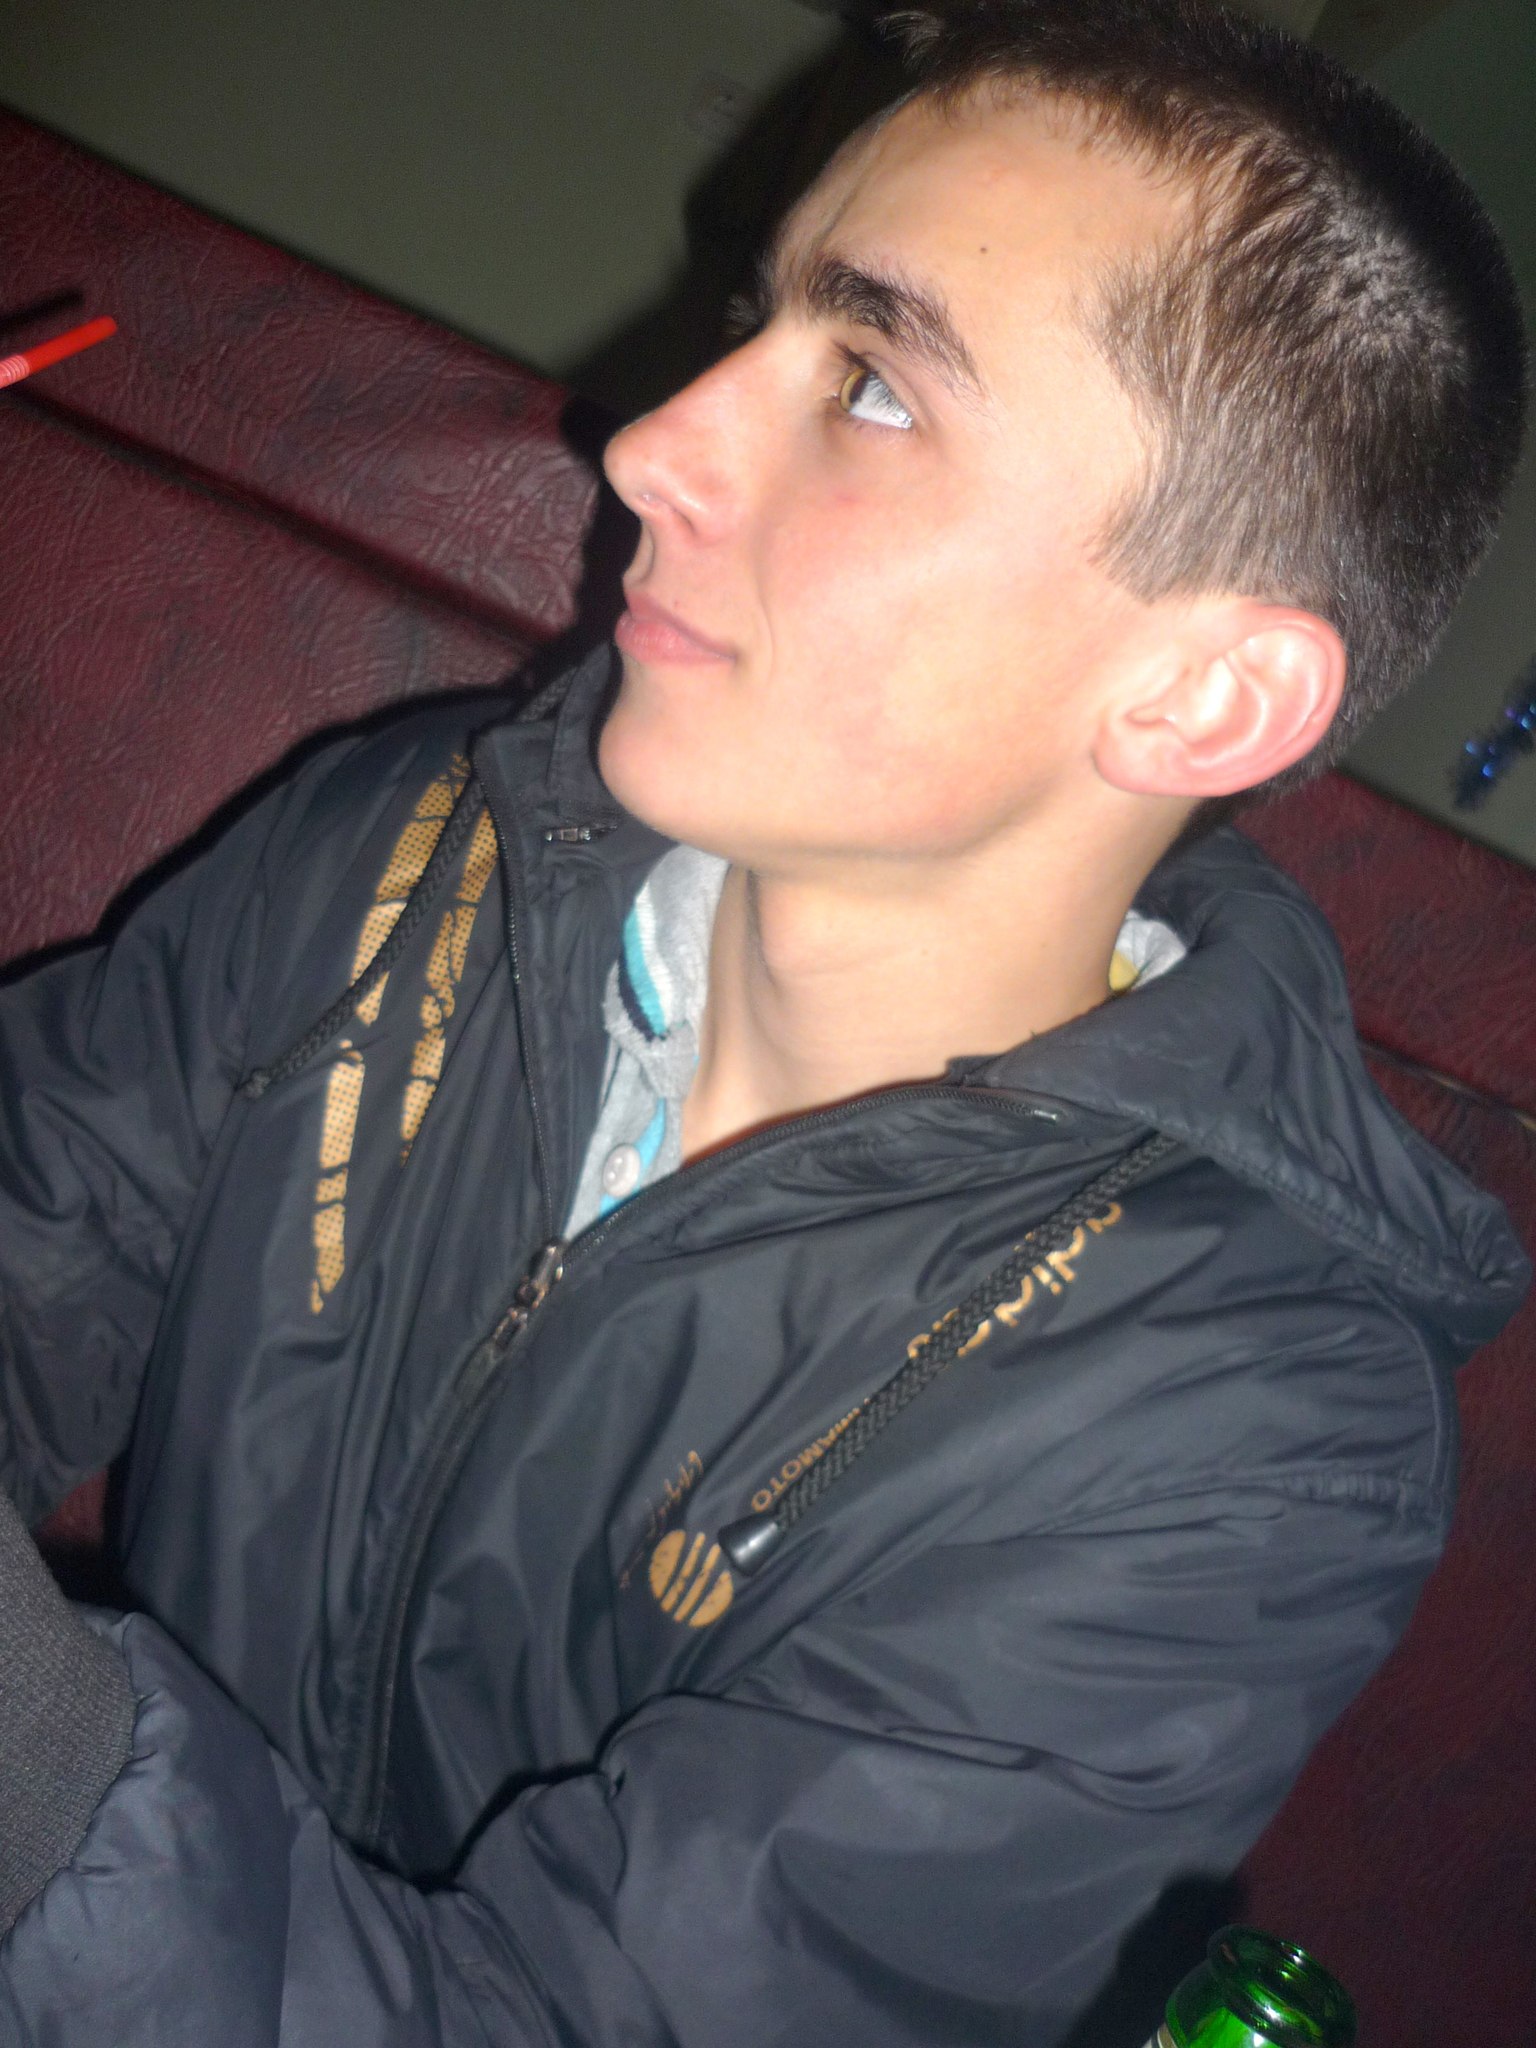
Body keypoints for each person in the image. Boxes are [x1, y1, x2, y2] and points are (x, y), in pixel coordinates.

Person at [0, 1, 1527, 2041]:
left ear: (1199, 698)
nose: (651, 442)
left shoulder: (1246, 1439)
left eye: (872, 386)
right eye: (760, 320)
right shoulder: (420, 846)